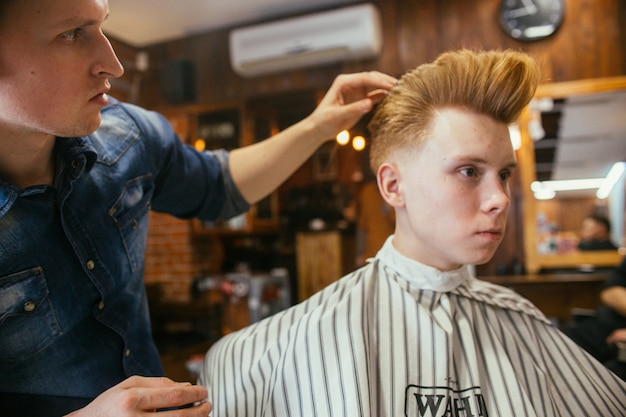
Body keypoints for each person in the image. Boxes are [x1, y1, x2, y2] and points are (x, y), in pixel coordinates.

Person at [0, 0, 397, 415]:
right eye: (72, 34)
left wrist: (319, 126)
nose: (112, 64)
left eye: (101, 27)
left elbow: (219, 185)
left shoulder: (127, 137)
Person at [198, 49, 626, 416]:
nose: (499, 198)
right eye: (469, 171)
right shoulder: (270, 350)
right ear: (392, 186)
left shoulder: (522, 321)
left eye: (505, 174)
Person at [564, 256, 626, 380]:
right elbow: (610, 292)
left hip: (618, 347)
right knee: (559, 346)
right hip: (606, 325)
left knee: (606, 379)